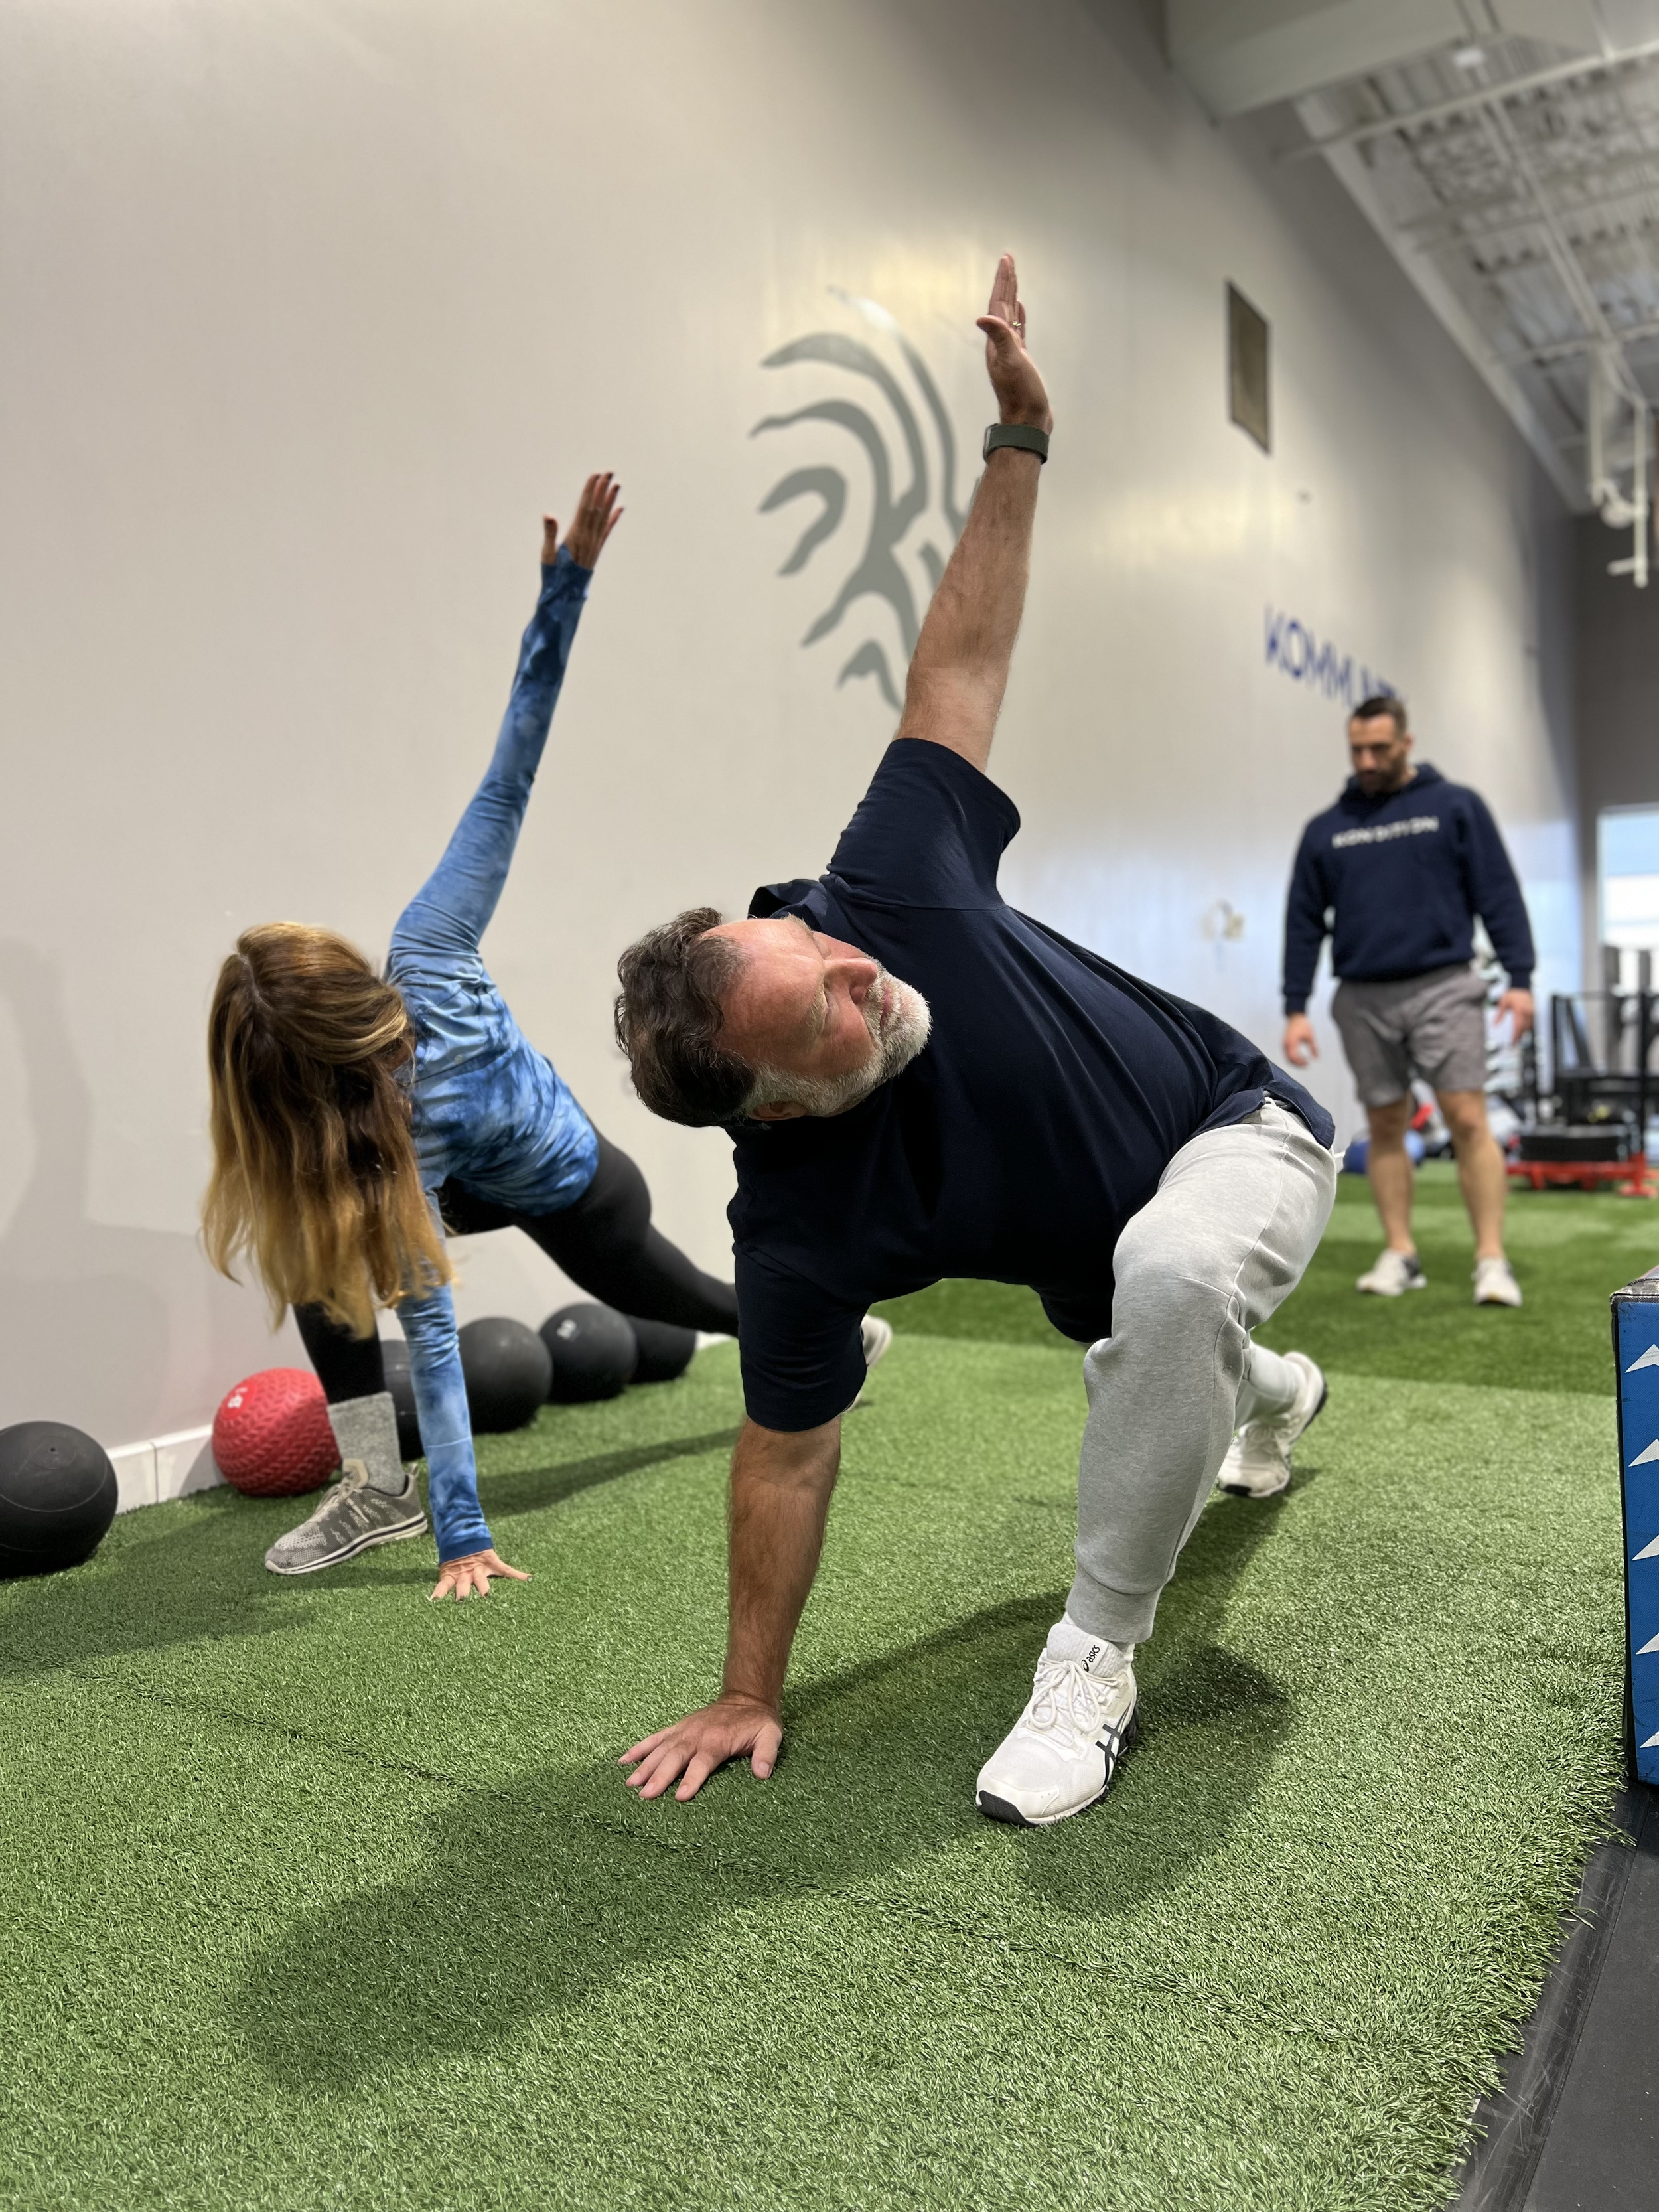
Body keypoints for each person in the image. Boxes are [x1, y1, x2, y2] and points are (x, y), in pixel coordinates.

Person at [609, 256, 1339, 1828]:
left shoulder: (880, 884)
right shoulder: (797, 1227)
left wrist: (1021, 438)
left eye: (819, 946)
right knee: (1171, 1327)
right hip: (1107, 1268)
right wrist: (746, 1686)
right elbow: (784, 1454)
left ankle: (1092, 1661)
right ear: (779, 1109)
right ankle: (1281, 1393)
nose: (858, 968)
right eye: (829, 1005)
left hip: (1238, 1127)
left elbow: (957, 664)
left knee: (1173, 1277)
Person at [203, 476, 748, 1599]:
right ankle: (376, 1487)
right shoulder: (386, 1101)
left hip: (573, 1183)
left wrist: (468, 1534)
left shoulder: (430, 994)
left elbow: (438, 1338)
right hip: (452, 1177)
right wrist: (566, 588)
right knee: (317, 1253)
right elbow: (506, 780)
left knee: (683, 1300)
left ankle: (811, 1334)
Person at [1279, 695, 1535, 1307]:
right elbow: (1303, 921)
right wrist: (1295, 1006)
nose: (1367, 761)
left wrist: (1520, 978)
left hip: (1443, 984)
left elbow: (1498, 893)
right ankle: (1401, 1252)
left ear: (1406, 743)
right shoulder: (1327, 829)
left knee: (1467, 1118)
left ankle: (1491, 1259)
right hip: (1363, 995)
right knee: (1386, 1124)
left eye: (1379, 749)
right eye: (1357, 750)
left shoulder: (1455, 806)